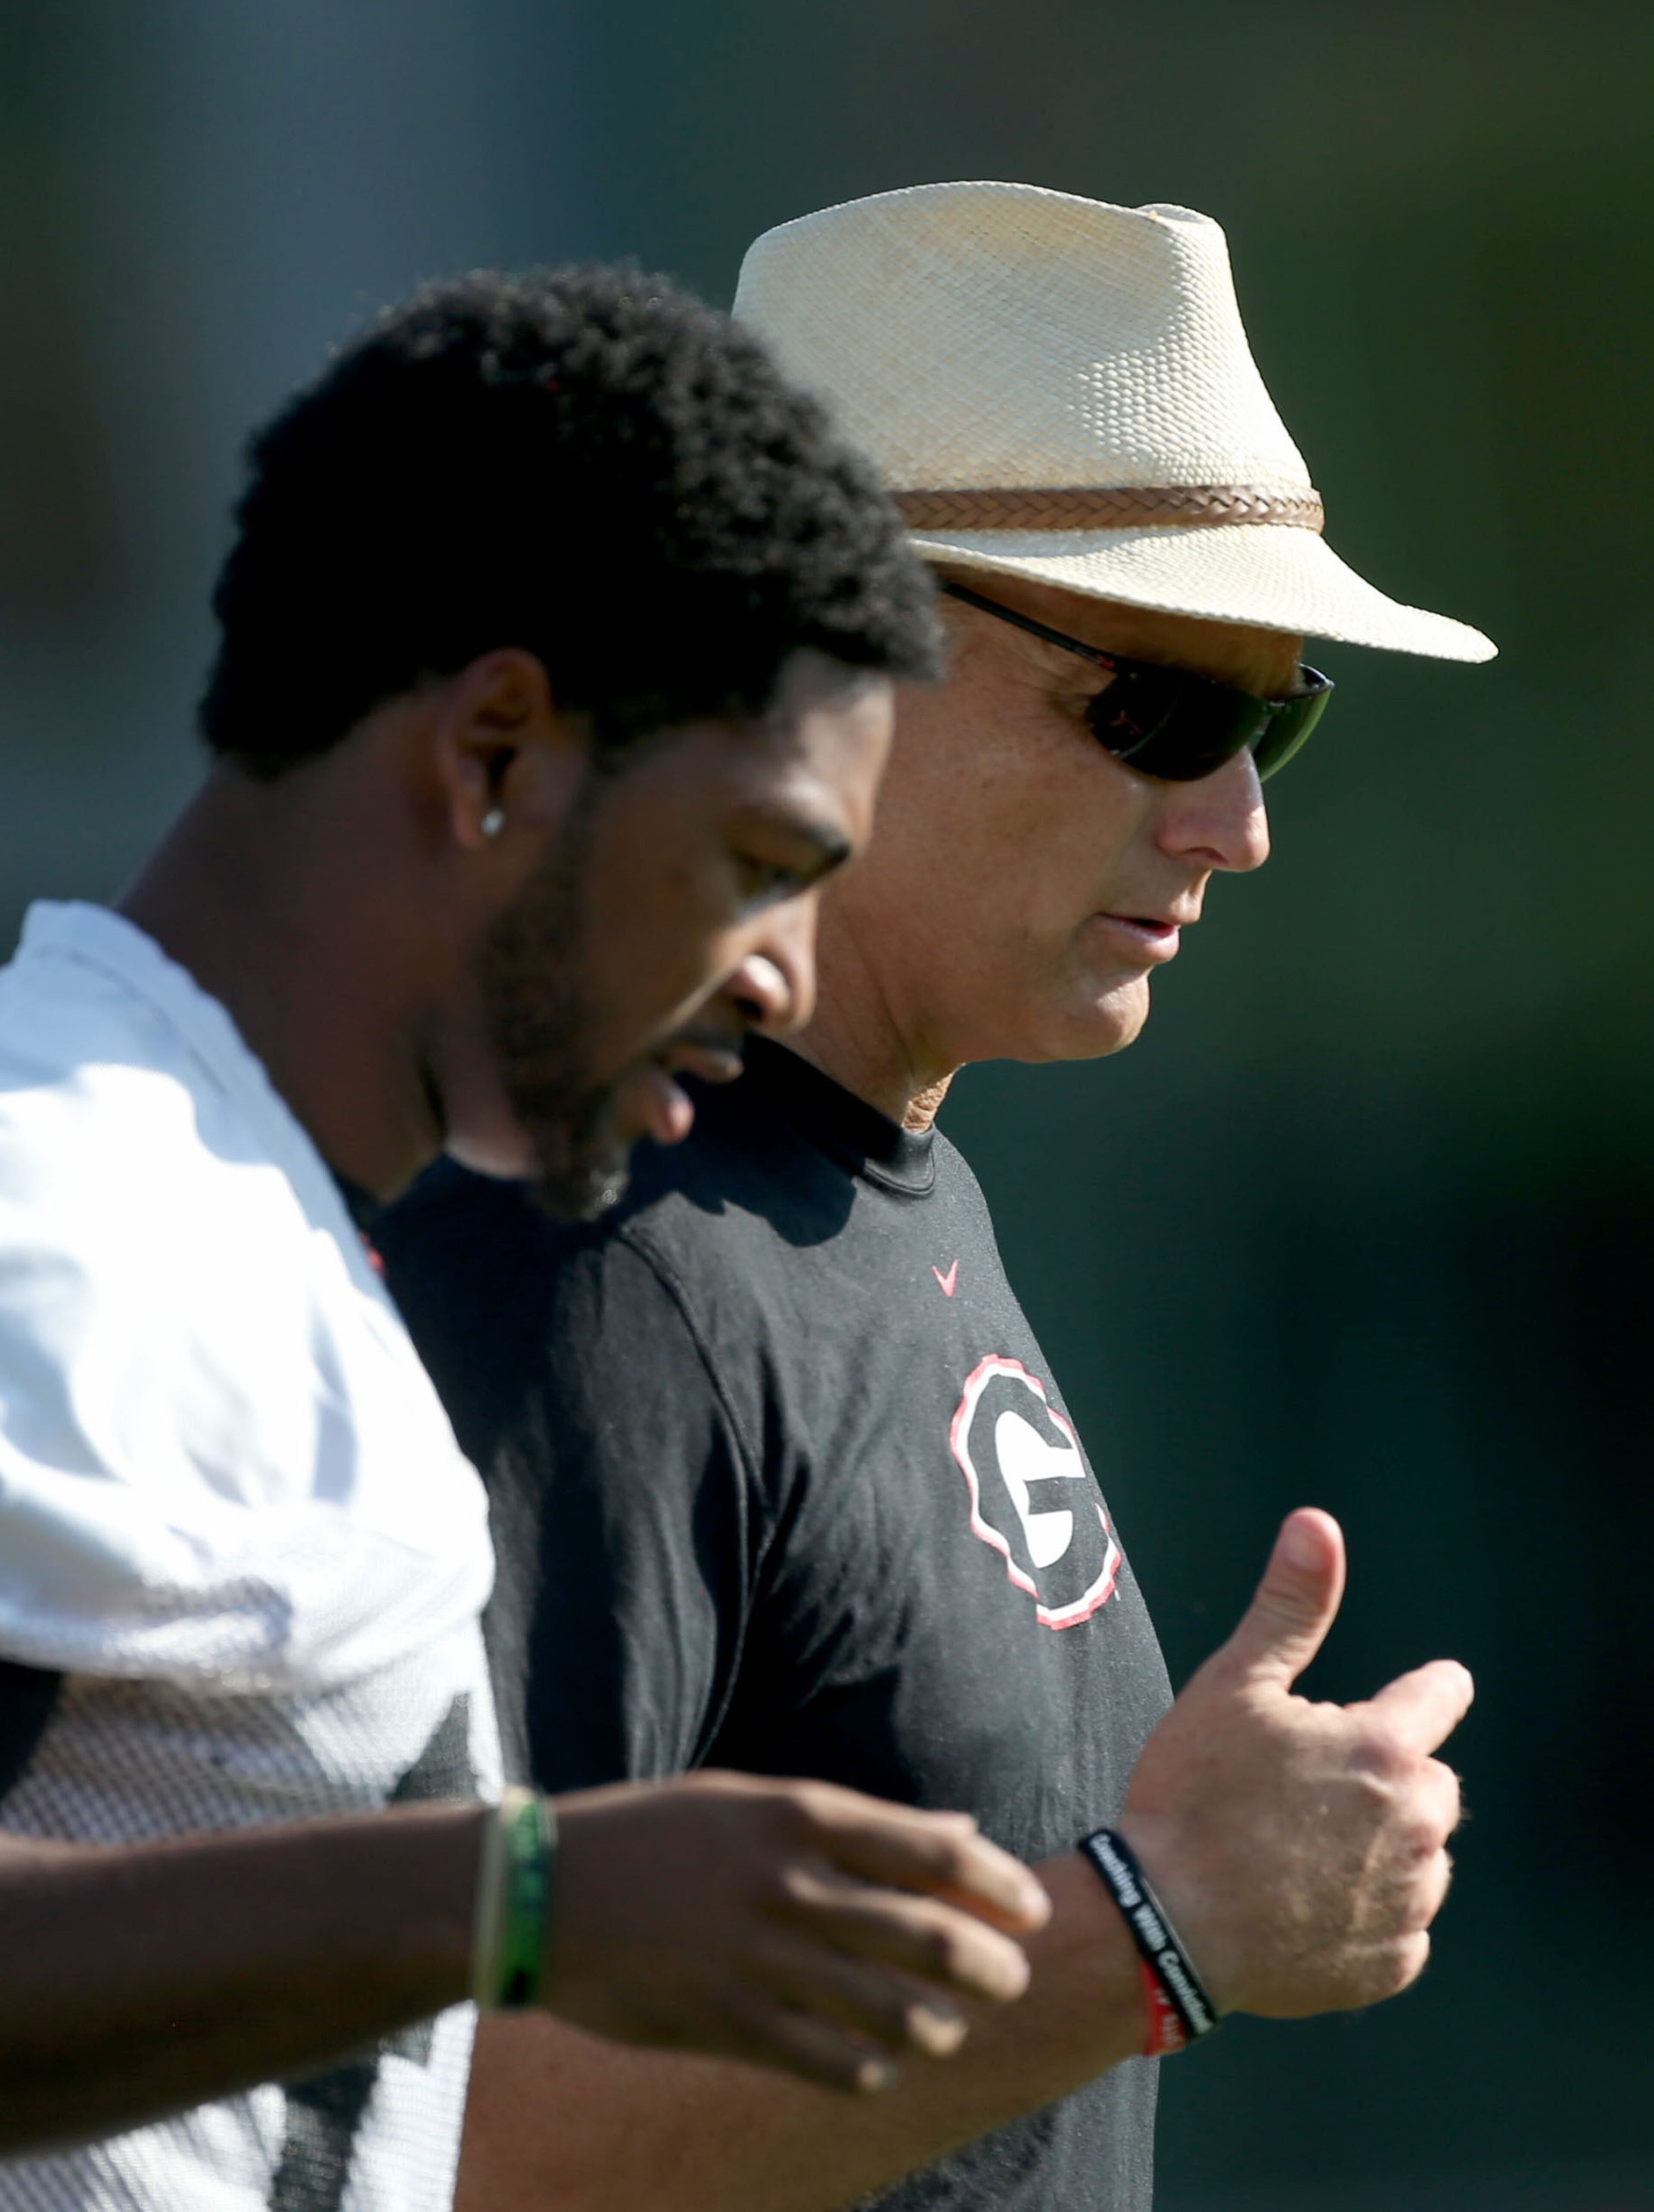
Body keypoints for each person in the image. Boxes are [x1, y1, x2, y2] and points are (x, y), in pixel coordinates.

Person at [379, 185, 1495, 2212]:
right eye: (1159, 704)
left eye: (1275, 718)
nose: (1236, 821)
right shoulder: (585, 1249)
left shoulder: (870, 1182)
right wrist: (1152, 1927)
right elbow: (426, 2139)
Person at [0, 264, 1054, 2205]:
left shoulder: (232, 1212)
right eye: (761, 861)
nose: (787, 974)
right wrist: (528, 1896)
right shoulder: (69, 1200)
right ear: (495, 751)